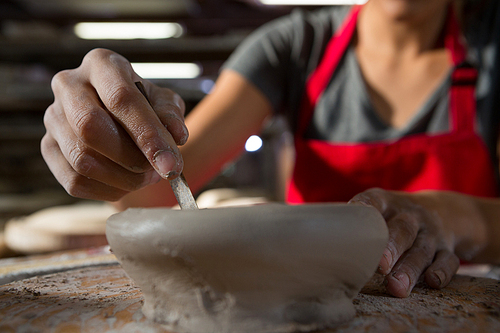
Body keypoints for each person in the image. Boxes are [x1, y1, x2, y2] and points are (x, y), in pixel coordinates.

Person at [41, 0, 500, 298]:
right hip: (308, 309)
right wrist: (116, 131)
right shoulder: (294, 47)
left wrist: (457, 218)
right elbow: (149, 193)